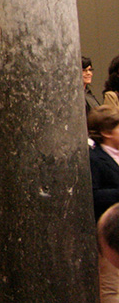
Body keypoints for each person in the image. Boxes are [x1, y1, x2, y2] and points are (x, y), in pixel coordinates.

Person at [89, 106, 119, 302]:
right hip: (111, 232)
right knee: (111, 287)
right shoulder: (94, 158)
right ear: (107, 133)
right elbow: (92, 195)